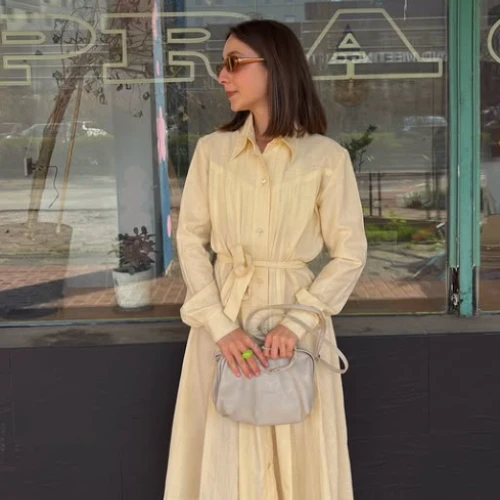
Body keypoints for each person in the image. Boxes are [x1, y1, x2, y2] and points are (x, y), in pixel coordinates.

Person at [164, 19, 367, 500]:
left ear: (274, 66)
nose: (222, 75)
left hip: (294, 325)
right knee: (225, 445)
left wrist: (296, 323)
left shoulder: (325, 157)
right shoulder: (212, 152)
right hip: (222, 322)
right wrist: (220, 325)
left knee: (299, 447)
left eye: (234, 63)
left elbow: (350, 253)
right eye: (222, 65)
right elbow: (190, 239)